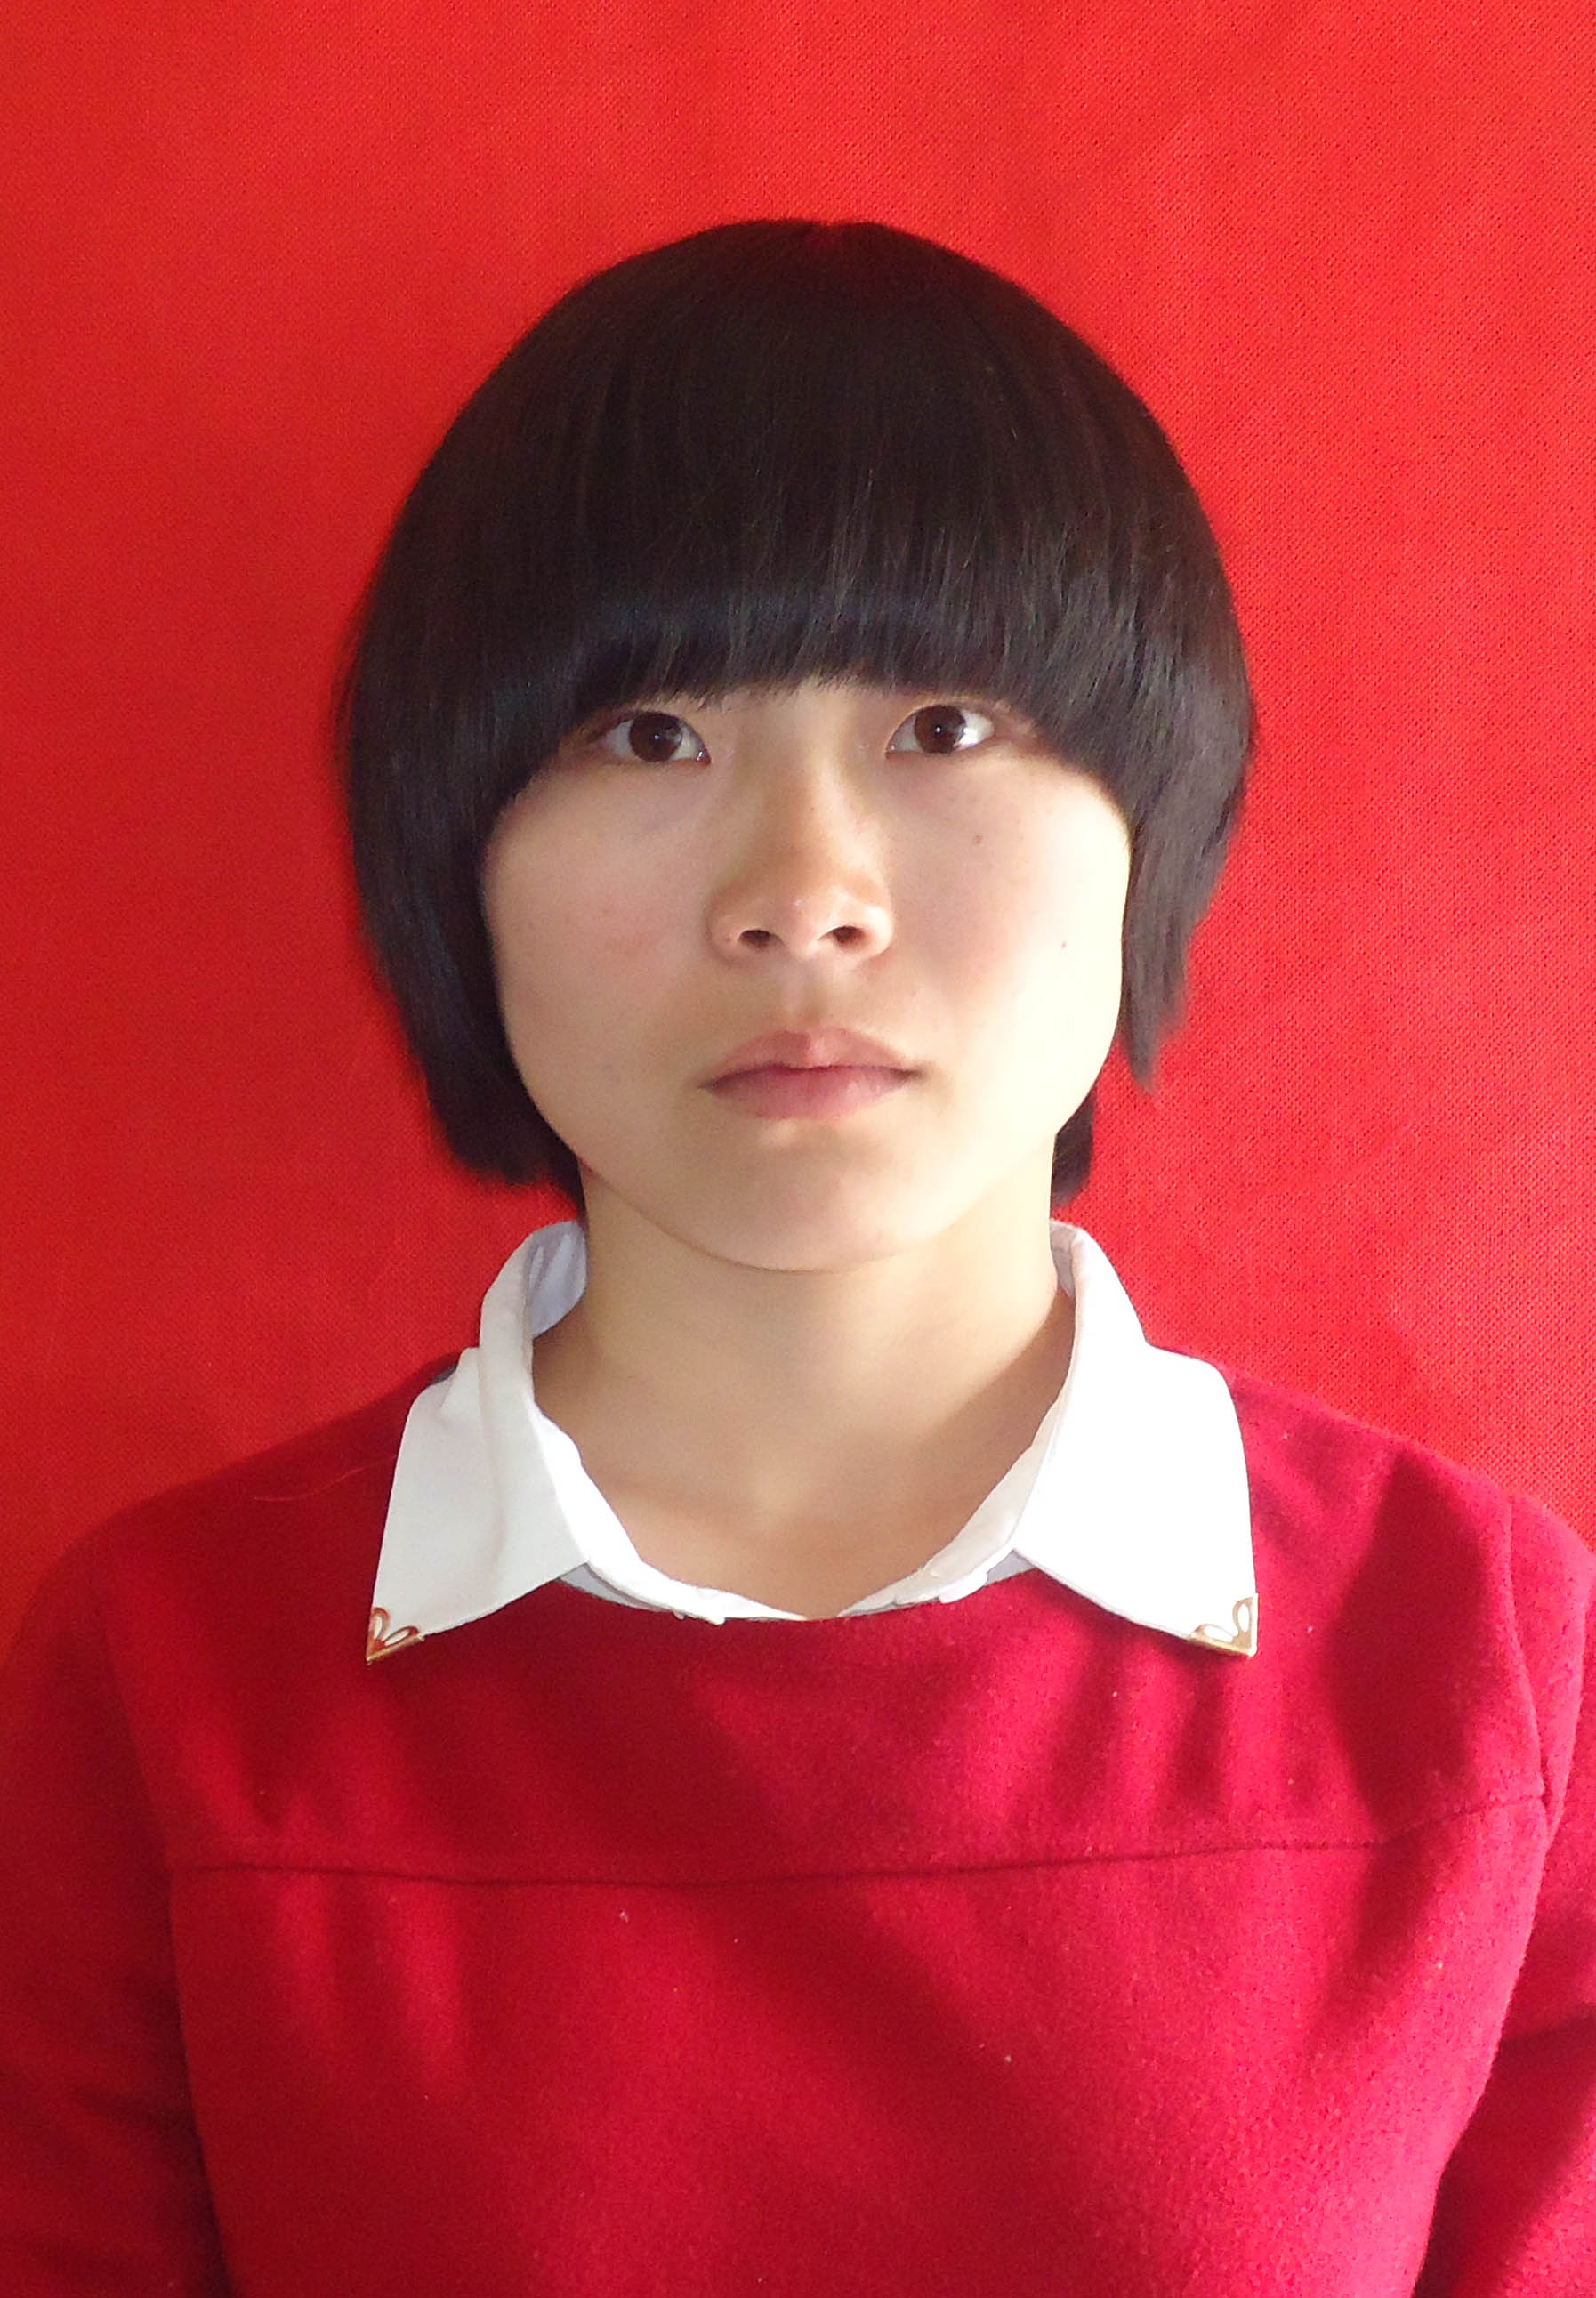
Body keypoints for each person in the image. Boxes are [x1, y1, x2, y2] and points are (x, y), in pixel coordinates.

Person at [0, 218, 1590, 2295]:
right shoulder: (173, 1678)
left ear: (1154, 834)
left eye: (946, 726)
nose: (804, 891)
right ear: (450, 857)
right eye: (653, 734)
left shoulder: (1475, 1661)